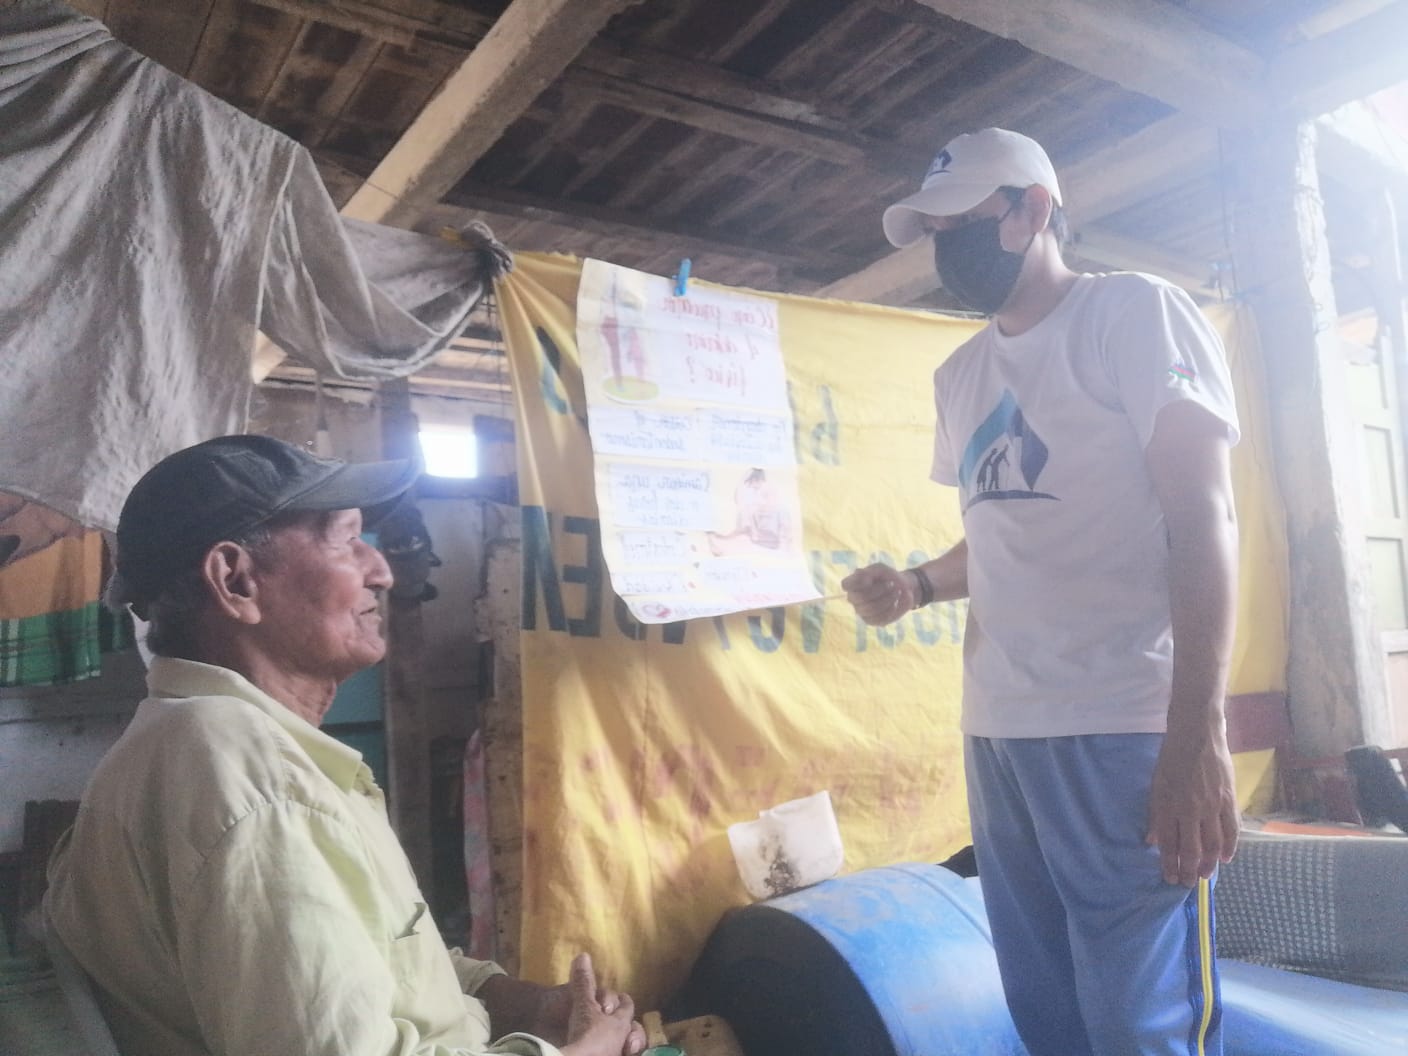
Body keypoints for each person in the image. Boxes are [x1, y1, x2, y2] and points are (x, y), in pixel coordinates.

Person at [45, 435, 647, 1056]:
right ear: (236, 580)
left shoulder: (206, 745)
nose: (380, 570)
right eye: (346, 539)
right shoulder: (252, 782)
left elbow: (380, 965)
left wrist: (516, 1003)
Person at [843, 128, 1241, 1056]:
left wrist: (1197, 735)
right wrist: (917, 584)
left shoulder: (1134, 314)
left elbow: (1204, 518)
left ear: (1034, 209)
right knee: (1046, 1008)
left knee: (1140, 1022)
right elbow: (1004, 530)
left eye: (962, 222)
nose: (946, 247)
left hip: (1124, 724)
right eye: (933, 231)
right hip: (1000, 730)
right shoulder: (960, 376)